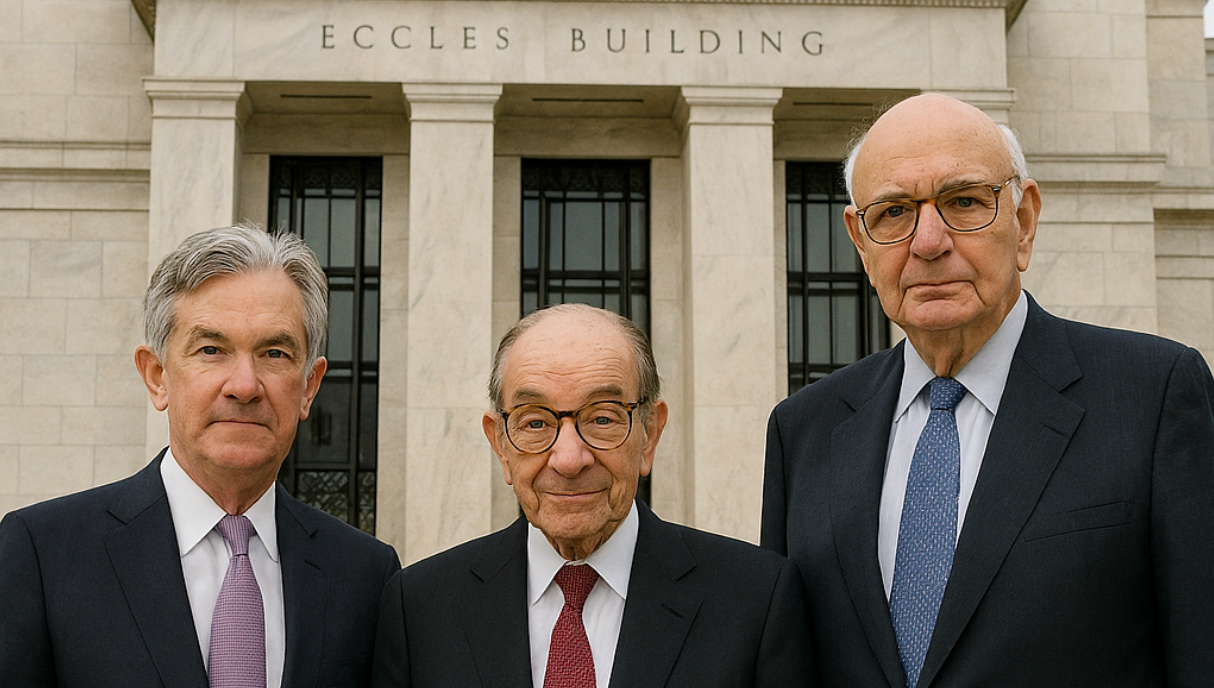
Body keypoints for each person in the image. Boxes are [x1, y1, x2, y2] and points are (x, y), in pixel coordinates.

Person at [762, 92, 1214, 688]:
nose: (928, 242)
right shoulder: (804, 430)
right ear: (861, 241)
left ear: (1023, 220)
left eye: (963, 201)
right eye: (894, 212)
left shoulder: (1154, 396)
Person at [0, 224, 401, 688]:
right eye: (211, 350)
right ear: (157, 376)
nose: (245, 385)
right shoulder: (44, 554)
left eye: (274, 353)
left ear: (308, 387)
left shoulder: (366, 575)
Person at [373, 303, 814, 688]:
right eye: (534, 422)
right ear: (500, 445)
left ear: (649, 434)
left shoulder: (755, 601)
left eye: (602, 418)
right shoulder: (420, 610)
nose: (569, 458)